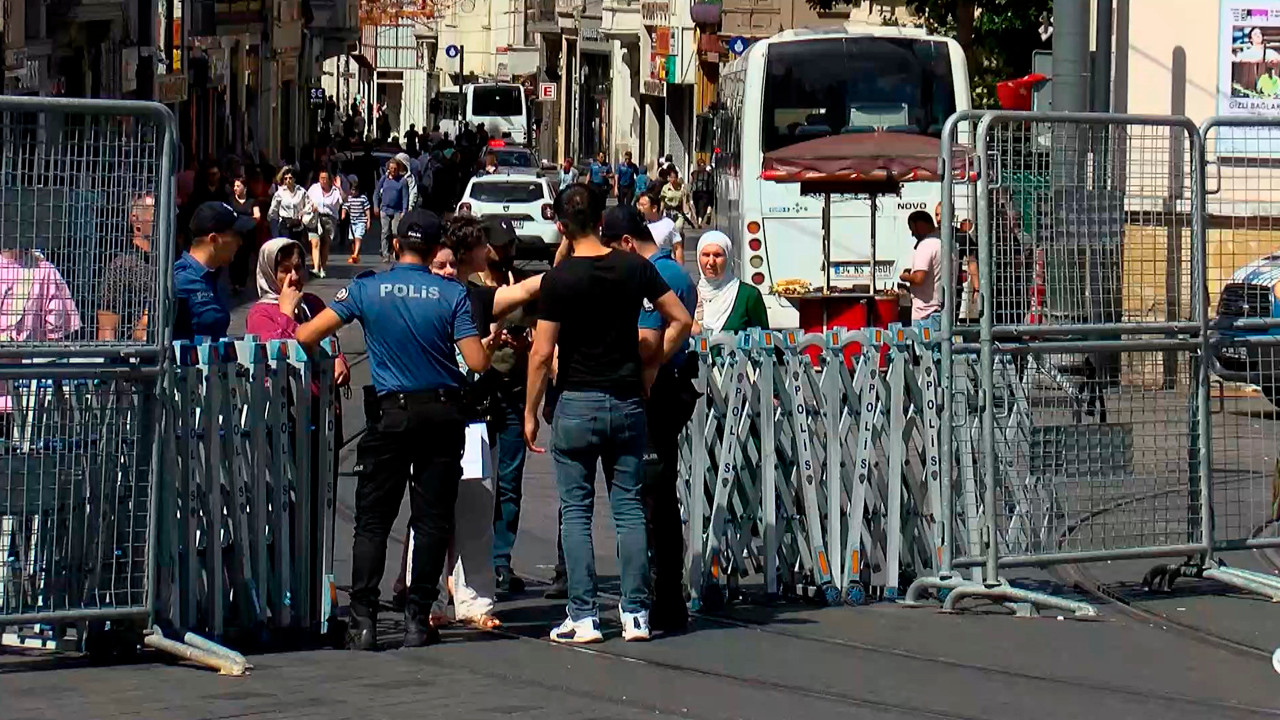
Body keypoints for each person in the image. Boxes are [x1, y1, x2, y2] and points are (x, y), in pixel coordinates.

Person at [297, 209, 495, 651]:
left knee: (372, 519)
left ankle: (364, 620)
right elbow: (477, 362)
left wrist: (329, 355)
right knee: (430, 521)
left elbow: (308, 334)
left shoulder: (367, 288)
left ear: (395, 245)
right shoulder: (452, 294)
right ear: (432, 251)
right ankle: (416, 619)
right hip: (442, 416)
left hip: (390, 415)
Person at [523, 185, 693, 644]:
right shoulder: (635, 267)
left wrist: (531, 411)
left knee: (576, 512)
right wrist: (650, 370)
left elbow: (541, 353)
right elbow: (679, 320)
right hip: (626, 400)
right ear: (602, 221)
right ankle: (636, 614)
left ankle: (583, 615)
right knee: (630, 509)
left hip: (577, 399)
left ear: (560, 226)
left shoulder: (558, 280)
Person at [605, 204, 699, 632]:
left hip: (655, 391)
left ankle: (657, 598)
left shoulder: (654, 277)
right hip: (668, 386)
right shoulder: (672, 273)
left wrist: (644, 372)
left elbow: (647, 343)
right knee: (656, 498)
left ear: (627, 243)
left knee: (649, 499)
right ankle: (666, 596)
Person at [173, 202, 256, 342]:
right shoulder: (180, 279)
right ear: (214, 239)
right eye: (236, 235)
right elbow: (148, 330)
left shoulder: (216, 276)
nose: (240, 242)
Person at [98, 193, 155, 341]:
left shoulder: (167, 264)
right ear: (136, 220)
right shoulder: (122, 266)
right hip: (130, 356)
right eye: (155, 213)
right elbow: (106, 329)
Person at [694, 231, 768, 335]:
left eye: (717, 255)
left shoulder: (748, 296)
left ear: (728, 258)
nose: (711, 262)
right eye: (706, 255)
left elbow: (763, 340)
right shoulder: (690, 294)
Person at [899, 210, 943, 333]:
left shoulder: (925, 245)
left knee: (923, 350)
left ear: (920, 225)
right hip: (942, 309)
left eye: (913, 228)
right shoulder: (945, 243)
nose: (913, 234)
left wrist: (905, 276)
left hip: (924, 313)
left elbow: (918, 278)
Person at [306, 170, 344, 278]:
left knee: (325, 244)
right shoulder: (314, 188)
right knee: (315, 243)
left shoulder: (335, 190)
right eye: (321, 178)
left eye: (325, 178)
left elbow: (344, 199)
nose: (323, 180)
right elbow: (306, 199)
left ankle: (322, 267)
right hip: (315, 217)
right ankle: (316, 268)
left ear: (329, 180)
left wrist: (339, 187)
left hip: (329, 219)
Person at [228, 177, 263, 292]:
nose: (235, 188)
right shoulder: (231, 201)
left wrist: (247, 221)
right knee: (233, 258)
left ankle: (241, 283)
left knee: (244, 258)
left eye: (238, 186)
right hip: (234, 234)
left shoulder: (252, 201)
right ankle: (233, 282)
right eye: (234, 186)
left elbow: (257, 216)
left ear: (245, 188)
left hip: (247, 234)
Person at [374, 158, 409, 263]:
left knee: (395, 232)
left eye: (395, 168)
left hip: (397, 210)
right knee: (385, 232)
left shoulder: (402, 181)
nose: (393, 170)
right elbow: (376, 193)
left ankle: (395, 251)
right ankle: (385, 254)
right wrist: (375, 206)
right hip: (384, 209)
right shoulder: (384, 179)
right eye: (391, 168)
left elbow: (405, 197)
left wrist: (404, 211)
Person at [268, 166, 312, 246]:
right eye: (285, 178)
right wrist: (273, 226)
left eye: (290, 178)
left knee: (296, 246)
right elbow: (273, 210)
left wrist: (303, 212)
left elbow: (309, 204)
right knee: (286, 246)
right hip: (285, 223)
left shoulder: (301, 192)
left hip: (297, 224)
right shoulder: (279, 193)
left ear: (294, 179)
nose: (288, 180)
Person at [638, 192, 683, 265]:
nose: (640, 208)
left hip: (662, 265)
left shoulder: (668, 224)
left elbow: (677, 247)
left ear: (654, 208)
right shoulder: (637, 224)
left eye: (643, 205)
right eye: (639, 205)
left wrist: (680, 269)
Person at [345, 177, 370, 264]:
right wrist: (343, 213)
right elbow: (345, 206)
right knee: (352, 240)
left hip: (361, 221)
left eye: (355, 190)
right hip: (352, 222)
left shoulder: (363, 198)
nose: (353, 192)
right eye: (352, 190)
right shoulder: (349, 198)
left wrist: (368, 220)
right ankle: (355, 255)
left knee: (358, 237)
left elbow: (367, 210)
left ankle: (355, 254)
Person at [690, 159, 714, 227]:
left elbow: (691, 183)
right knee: (702, 207)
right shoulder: (708, 173)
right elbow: (710, 184)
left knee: (697, 207)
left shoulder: (694, 173)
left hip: (696, 192)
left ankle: (699, 220)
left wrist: (690, 190)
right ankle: (699, 220)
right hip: (705, 193)